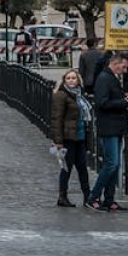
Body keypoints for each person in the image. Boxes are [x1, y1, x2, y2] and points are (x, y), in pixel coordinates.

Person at [87, 53, 128, 212]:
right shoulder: (104, 78)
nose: (125, 70)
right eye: (124, 66)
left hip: (116, 127)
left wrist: (124, 98)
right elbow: (102, 102)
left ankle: (109, 199)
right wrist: (123, 102)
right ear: (115, 63)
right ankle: (93, 196)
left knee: (116, 164)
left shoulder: (111, 78)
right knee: (111, 163)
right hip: (108, 127)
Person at [50, 69, 92, 207]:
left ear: (78, 80)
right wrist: (58, 141)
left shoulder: (79, 96)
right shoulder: (61, 95)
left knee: (82, 168)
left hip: (80, 136)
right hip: (68, 138)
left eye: (74, 78)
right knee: (66, 168)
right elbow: (56, 119)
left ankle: (88, 197)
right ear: (64, 80)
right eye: (68, 78)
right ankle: (62, 196)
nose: (71, 80)